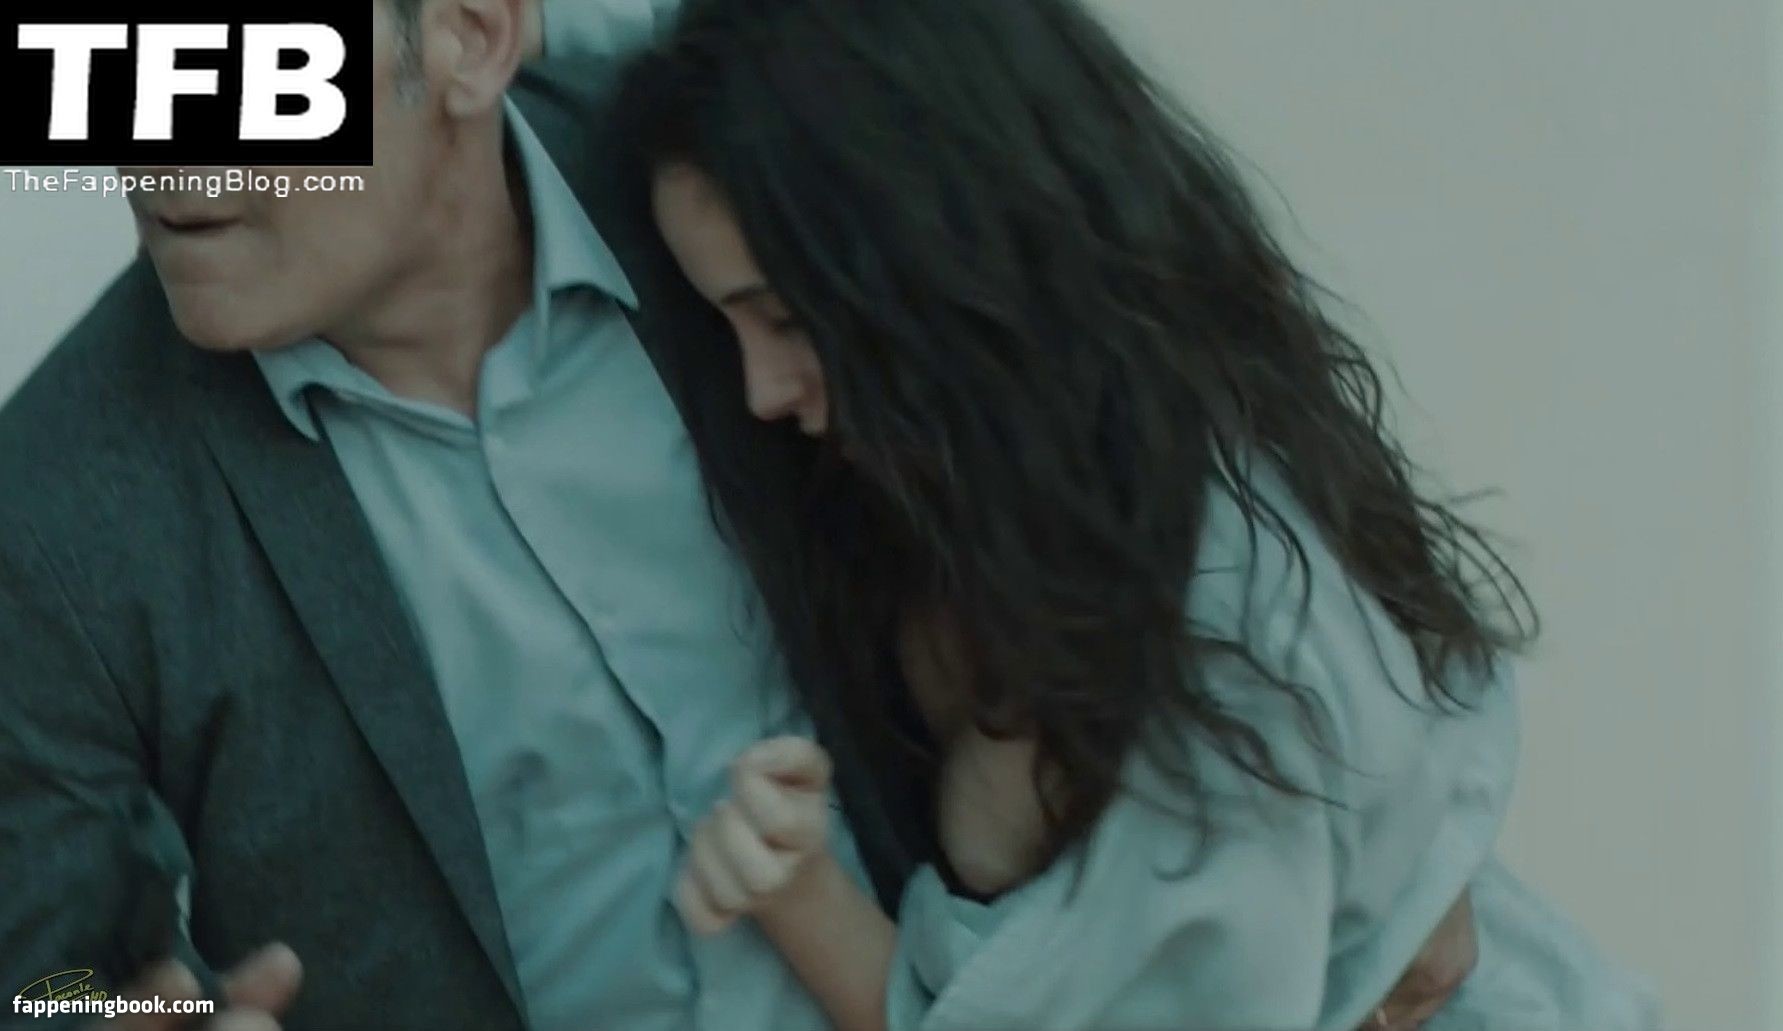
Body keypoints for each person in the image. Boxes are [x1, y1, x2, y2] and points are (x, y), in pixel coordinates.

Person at [0, 0, 1474, 1029]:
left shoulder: (721, 165)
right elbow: (32, 982)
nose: (162, 161)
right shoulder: (54, 505)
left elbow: (1111, 364)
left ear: (469, 38)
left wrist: (1408, 838)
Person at [617, 0, 1665, 1028]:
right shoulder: (1037, 513)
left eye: (785, 319)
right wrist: (797, 886)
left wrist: (800, 898)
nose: (761, 389)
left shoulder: (1225, 615)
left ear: (936, 258)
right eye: (730, 328)